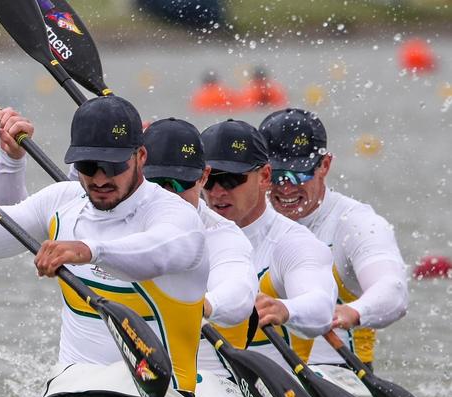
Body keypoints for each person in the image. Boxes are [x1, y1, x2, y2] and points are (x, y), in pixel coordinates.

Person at [0, 96, 209, 397]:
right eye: (88, 165)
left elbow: (156, 253)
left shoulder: (175, 214)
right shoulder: (61, 203)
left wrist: (88, 250)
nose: (100, 178)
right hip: (70, 392)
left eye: (114, 164)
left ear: (141, 156)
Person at [260, 108, 408, 369]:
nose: (285, 186)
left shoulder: (356, 223)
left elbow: (393, 289)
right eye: (276, 175)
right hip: (264, 378)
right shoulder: (247, 217)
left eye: (299, 174)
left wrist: (353, 312)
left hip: (342, 379)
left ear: (325, 165)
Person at [198, 119, 337, 373]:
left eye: (230, 180)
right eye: (207, 180)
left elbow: (321, 306)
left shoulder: (292, 242)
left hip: (268, 395)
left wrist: (285, 308)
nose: (217, 192)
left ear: (264, 177)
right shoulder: (182, 233)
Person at [142, 117, 258, 330]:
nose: (169, 194)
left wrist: (204, 306)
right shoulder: (112, 218)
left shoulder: (222, 235)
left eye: (181, 182)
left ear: (203, 177)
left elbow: (238, 290)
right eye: (156, 182)